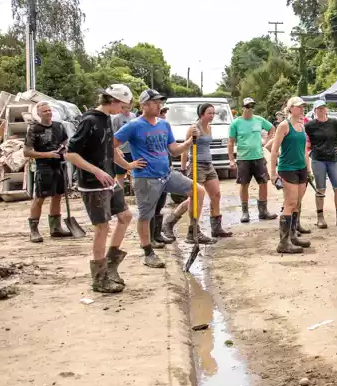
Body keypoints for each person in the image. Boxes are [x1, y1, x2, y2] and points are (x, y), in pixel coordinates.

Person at [115, 89, 208, 268]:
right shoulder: (134, 125)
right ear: (144, 105)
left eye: (160, 102)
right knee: (145, 216)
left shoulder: (164, 125)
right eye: (155, 102)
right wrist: (127, 165)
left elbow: (173, 150)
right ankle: (148, 252)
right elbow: (111, 145)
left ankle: (193, 231)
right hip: (146, 178)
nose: (159, 106)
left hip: (166, 174)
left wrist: (189, 142)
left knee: (198, 191)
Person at [66, 85, 142, 293]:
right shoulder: (90, 120)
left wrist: (127, 166)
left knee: (125, 216)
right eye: (122, 105)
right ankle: (99, 278)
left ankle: (111, 264)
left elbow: (110, 147)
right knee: (102, 227)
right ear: (113, 101)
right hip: (93, 184)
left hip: (108, 181)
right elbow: (71, 153)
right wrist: (97, 171)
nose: (123, 109)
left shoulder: (107, 119)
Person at [181, 103, 233, 241]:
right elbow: (185, 149)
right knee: (195, 199)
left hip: (208, 165)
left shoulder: (209, 127)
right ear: (202, 114)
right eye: (210, 113)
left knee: (216, 194)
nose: (212, 116)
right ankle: (192, 231)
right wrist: (183, 167)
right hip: (196, 165)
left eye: (213, 113)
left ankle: (216, 228)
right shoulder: (193, 128)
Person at [268, 97, 312, 254]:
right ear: (290, 108)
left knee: (297, 203)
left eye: (303, 106)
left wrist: (308, 170)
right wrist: (273, 173)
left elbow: (305, 150)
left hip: (301, 168)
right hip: (288, 168)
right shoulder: (284, 125)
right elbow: (273, 150)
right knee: (290, 202)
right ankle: (283, 242)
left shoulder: (301, 125)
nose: (302, 109)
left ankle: (292, 236)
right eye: (299, 106)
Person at [23, 101, 71, 243]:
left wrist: (64, 148)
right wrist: (47, 155)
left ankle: (55, 228)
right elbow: (27, 152)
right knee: (40, 198)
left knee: (57, 196)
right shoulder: (34, 129)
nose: (48, 113)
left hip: (59, 165)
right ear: (38, 114)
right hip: (43, 167)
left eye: (49, 110)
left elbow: (66, 142)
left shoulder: (59, 126)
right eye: (45, 111)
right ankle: (34, 230)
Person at [228, 97, 278, 224]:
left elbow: (272, 128)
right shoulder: (236, 123)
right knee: (244, 184)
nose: (250, 109)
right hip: (243, 158)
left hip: (258, 157)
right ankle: (245, 212)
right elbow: (230, 142)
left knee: (263, 182)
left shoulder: (259, 120)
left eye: (252, 106)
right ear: (243, 108)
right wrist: (231, 160)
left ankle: (263, 211)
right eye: (248, 106)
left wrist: (267, 141)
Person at [304, 100, 337, 229]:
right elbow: (305, 140)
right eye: (318, 108)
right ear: (315, 110)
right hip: (318, 159)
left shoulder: (334, 123)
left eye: (323, 108)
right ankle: (320, 218)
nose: (321, 110)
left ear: (326, 109)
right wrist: (307, 150)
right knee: (320, 189)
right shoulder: (310, 125)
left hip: (333, 159)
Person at [111, 102, 136, 189]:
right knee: (120, 173)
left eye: (129, 108)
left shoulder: (133, 116)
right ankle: (120, 194)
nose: (127, 110)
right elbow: (113, 135)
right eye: (125, 108)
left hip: (132, 149)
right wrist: (117, 149)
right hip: (122, 150)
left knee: (134, 171)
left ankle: (133, 191)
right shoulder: (117, 118)